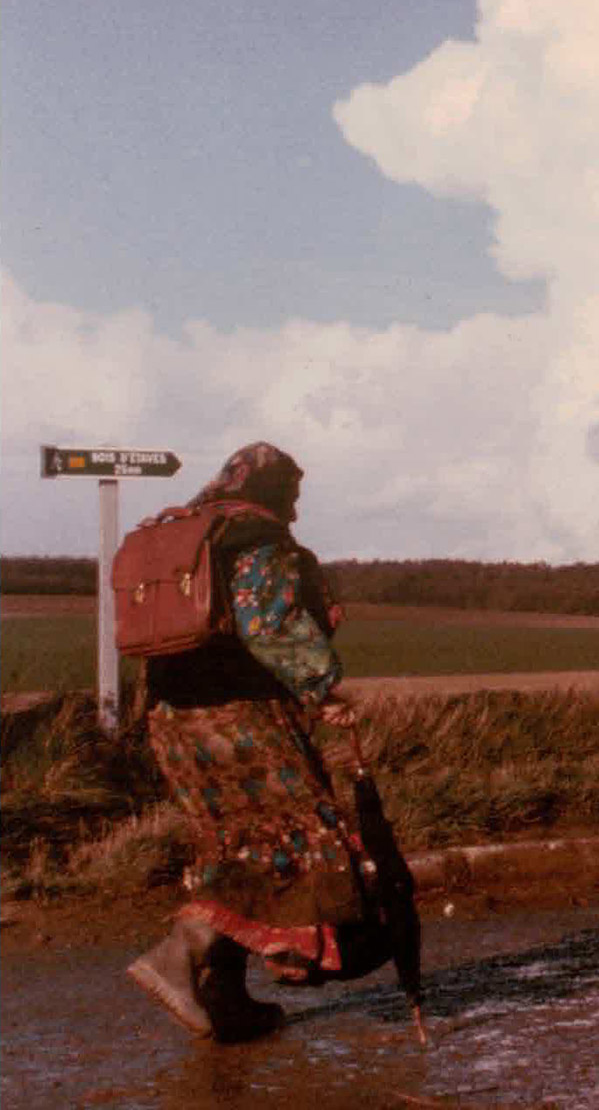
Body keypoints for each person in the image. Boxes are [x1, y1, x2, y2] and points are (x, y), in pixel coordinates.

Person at [126, 442, 400, 1041]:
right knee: (294, 842)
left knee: (231, 842)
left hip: (176, 720)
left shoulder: (190, 531)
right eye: (292, 497)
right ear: (272, 490)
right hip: (240, 716)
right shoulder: (258, 537)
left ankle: (223, 993)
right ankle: (178, 955)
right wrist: (321, 687)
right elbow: (266, 622)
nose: (295, 513)